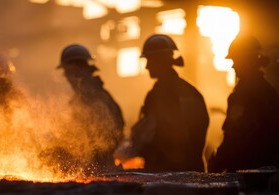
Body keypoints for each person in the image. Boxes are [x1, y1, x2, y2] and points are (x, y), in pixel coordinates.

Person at [118, 34, 209, 172]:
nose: (147, 66)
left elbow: (153, 135)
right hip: (193, 170)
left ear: (160, 61)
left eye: (149, 60)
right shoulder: (192, 91)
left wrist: (127, 152)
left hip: (165, 172)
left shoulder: (158, 95)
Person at [44, 44, 125, 175]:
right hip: (89, 166)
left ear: (82, 70)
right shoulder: (83, 99)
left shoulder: (95, 98)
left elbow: (107, 138)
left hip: (97, 170)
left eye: (70, 73)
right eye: (67, 74)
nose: (69, 78)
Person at [208, 34, 279, 172]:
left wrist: (217, 162)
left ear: (246, 61)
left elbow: (235, 136)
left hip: (246, 170)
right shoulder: (268, 91)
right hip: (267, 169)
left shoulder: (243, 94)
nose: (233, 65)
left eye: (236, 60)